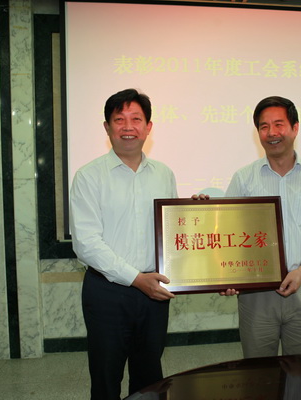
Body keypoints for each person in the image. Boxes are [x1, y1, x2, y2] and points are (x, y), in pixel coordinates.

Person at [69, 88, 177, 400]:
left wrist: (197, 213)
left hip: (153, 292)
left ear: (148, 127)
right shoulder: (88, 176)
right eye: (119, 120)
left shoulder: (164, 174)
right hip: (106, 293)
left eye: (136, 119)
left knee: (149, 378)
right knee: (106, 377)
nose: (128, 127)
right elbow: (87, 243)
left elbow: (173, 229)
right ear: (107, 127)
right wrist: (135, 278)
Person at [221, 95, 301, 358]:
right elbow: (226, 233)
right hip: (256, 295)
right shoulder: (244, 179)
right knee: (259, 371)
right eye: (264, 126)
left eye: (279, 124)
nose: (271, 133)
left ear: (295, 128)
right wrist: (227, 277)